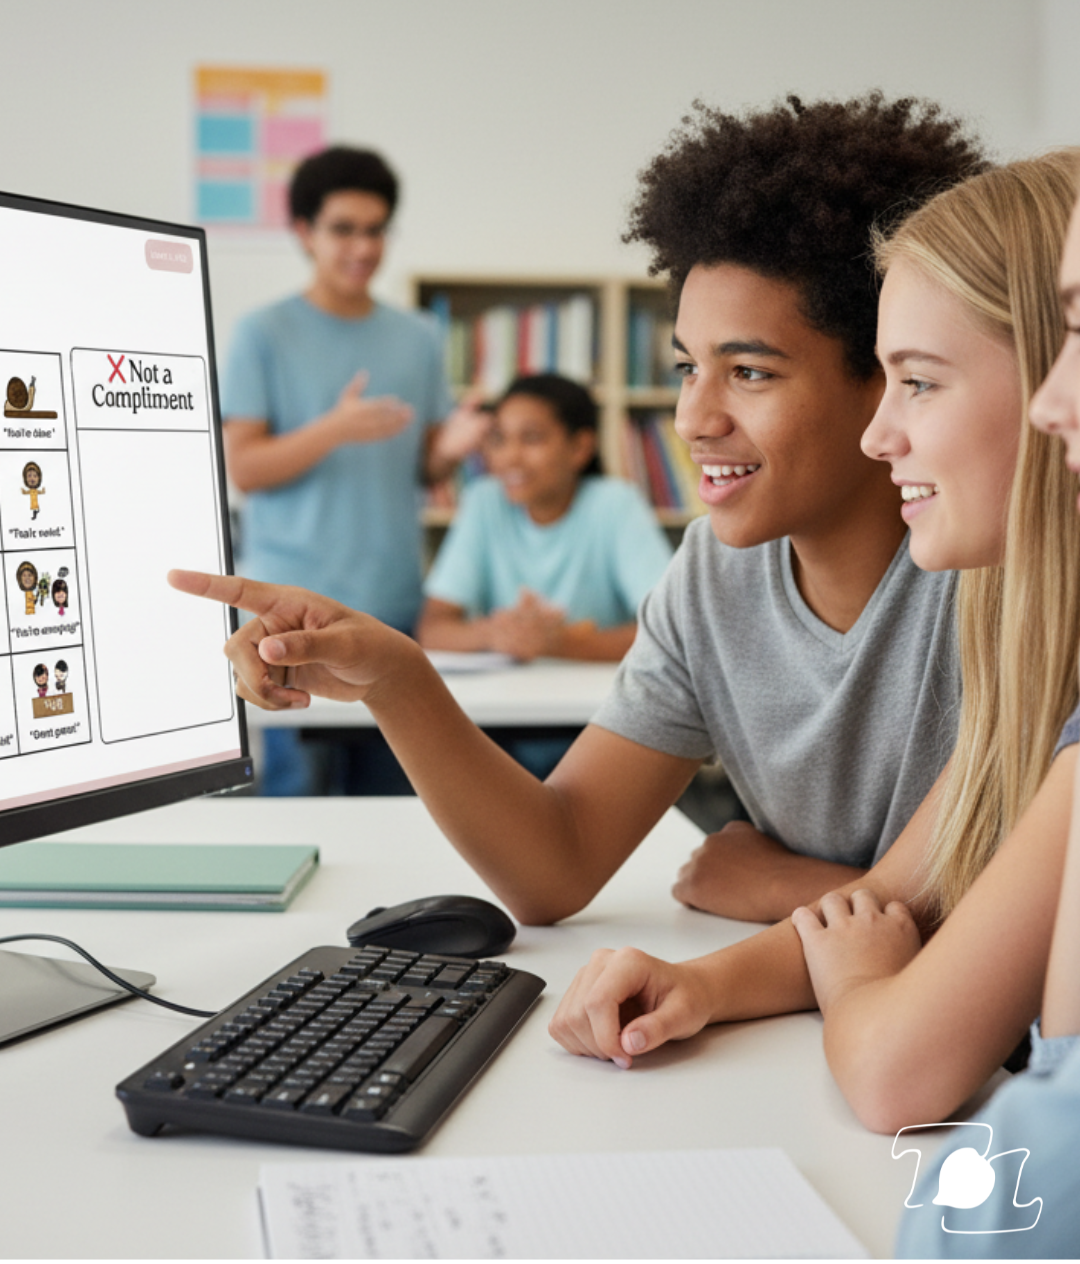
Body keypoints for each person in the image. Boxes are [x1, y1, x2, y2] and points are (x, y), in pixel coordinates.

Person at [171, 92, 985, 926]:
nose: (691, 421)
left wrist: (779, 887)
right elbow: (554, 868)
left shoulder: (990, 582)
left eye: (749, 372)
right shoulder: (712, 575)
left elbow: (1014, 911)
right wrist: (397, 677)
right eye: (684, 369)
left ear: (888, 379)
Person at [538, 155, 1080, 1126]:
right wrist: (703, 986)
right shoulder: (1022, 650)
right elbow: (898, 900)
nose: (882, 437)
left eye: (916, 381)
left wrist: (829, 939)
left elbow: (896, 1072)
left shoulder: (1007, 629)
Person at [894, 168, 1080, 1260]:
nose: (1059, 400)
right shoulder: (1008, 642)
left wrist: (860, 964)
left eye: (916, 381)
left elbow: (995, 1217)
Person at [221, 145, 487, 795]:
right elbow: (244, 469)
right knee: (296, 799)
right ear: (305, 233)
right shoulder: (262, 333)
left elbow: (423, 466)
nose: (363, 246)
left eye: (376, 229)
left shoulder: (419, 336)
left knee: (399, 797)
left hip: (389, 606)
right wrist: (333, 429)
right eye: (344, 228)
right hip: (288, 613)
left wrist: (452, 448)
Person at [418, 374, 671, 664]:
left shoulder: (615, 503)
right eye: (499, 439)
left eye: (532, 438)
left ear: (580, 448)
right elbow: (432, 630)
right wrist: (497, 634)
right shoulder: (484, 501)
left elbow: (668, 632)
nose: (510, 457)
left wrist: (559, 643)